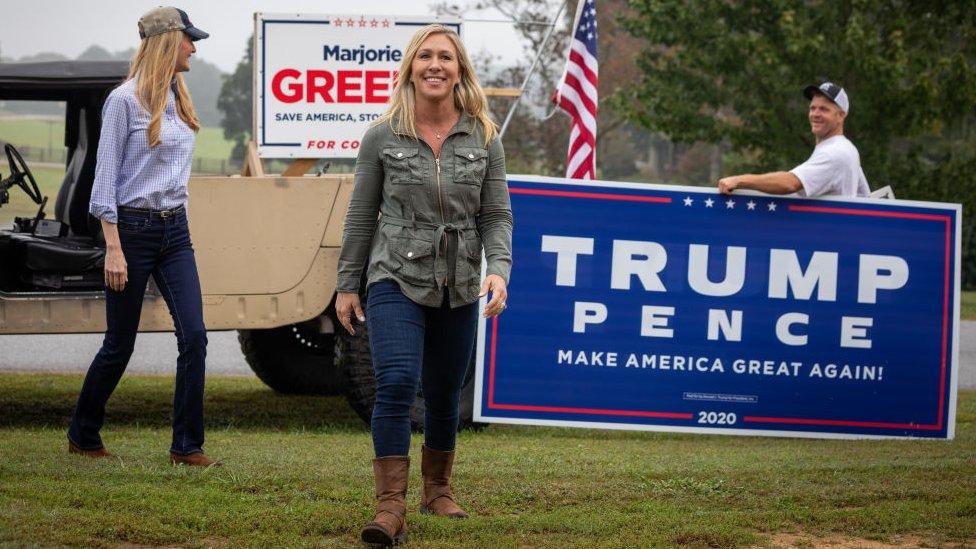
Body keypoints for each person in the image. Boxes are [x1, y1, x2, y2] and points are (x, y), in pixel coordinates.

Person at [335, 24, 513, 546]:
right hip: (394, 273)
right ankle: (390, 506)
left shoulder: (484, 135)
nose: (435, 66)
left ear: (460, 71)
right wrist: (349, 283)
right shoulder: (383, 134)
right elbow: (361, 216)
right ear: (411, 67)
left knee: (442, 391)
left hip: (458, 282)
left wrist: (497, 268)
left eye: (446, 58)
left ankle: (438, 490)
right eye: (426, 57)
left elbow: (497, 215)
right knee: (394, 382)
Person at [66, 7, 219, 467]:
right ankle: (83, 433)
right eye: (188, 39)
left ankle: (187, 447)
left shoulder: (179, 98)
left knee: (194, 335)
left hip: (176, 230)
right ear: (168, 42)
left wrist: (179, 217)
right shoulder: (124, 101)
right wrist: (113, 247)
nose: (194, 47)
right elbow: (105, 178)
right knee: (120, 343)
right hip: (130, 233)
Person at [718, 81, 870, 198]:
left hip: (827, 237)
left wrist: (739, 180)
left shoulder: (836, 152)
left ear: (841, 116)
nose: (815, 114)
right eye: (813, 108)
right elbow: (865, 197)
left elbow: (790, 183)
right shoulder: (846, 149)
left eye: (824, 109)